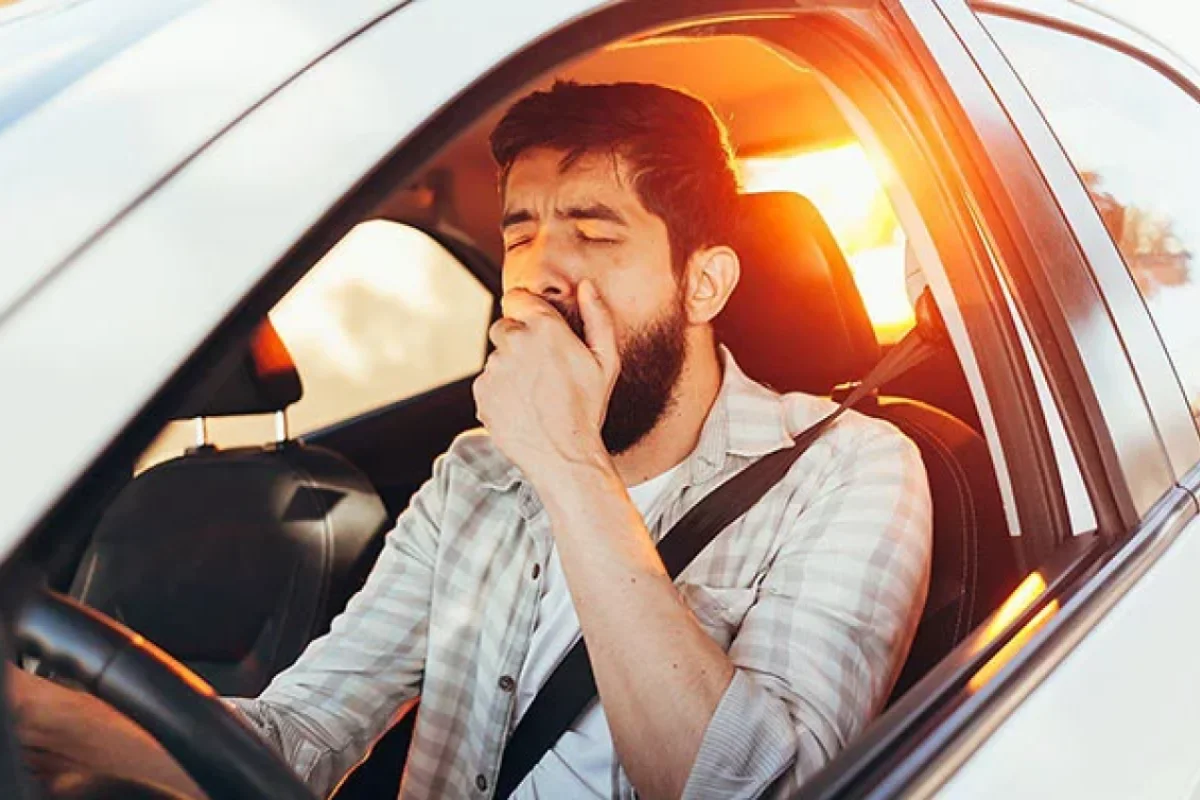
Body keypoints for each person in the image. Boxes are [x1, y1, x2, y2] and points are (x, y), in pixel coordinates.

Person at [10, 81, 932, 800]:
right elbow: (302, 737)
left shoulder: (850, 470)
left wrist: (568, 464)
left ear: (703, 285)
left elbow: (758, 789)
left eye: (594, 232)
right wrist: (44, 719)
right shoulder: (475, 476)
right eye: (521, 235)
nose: (541, 273)